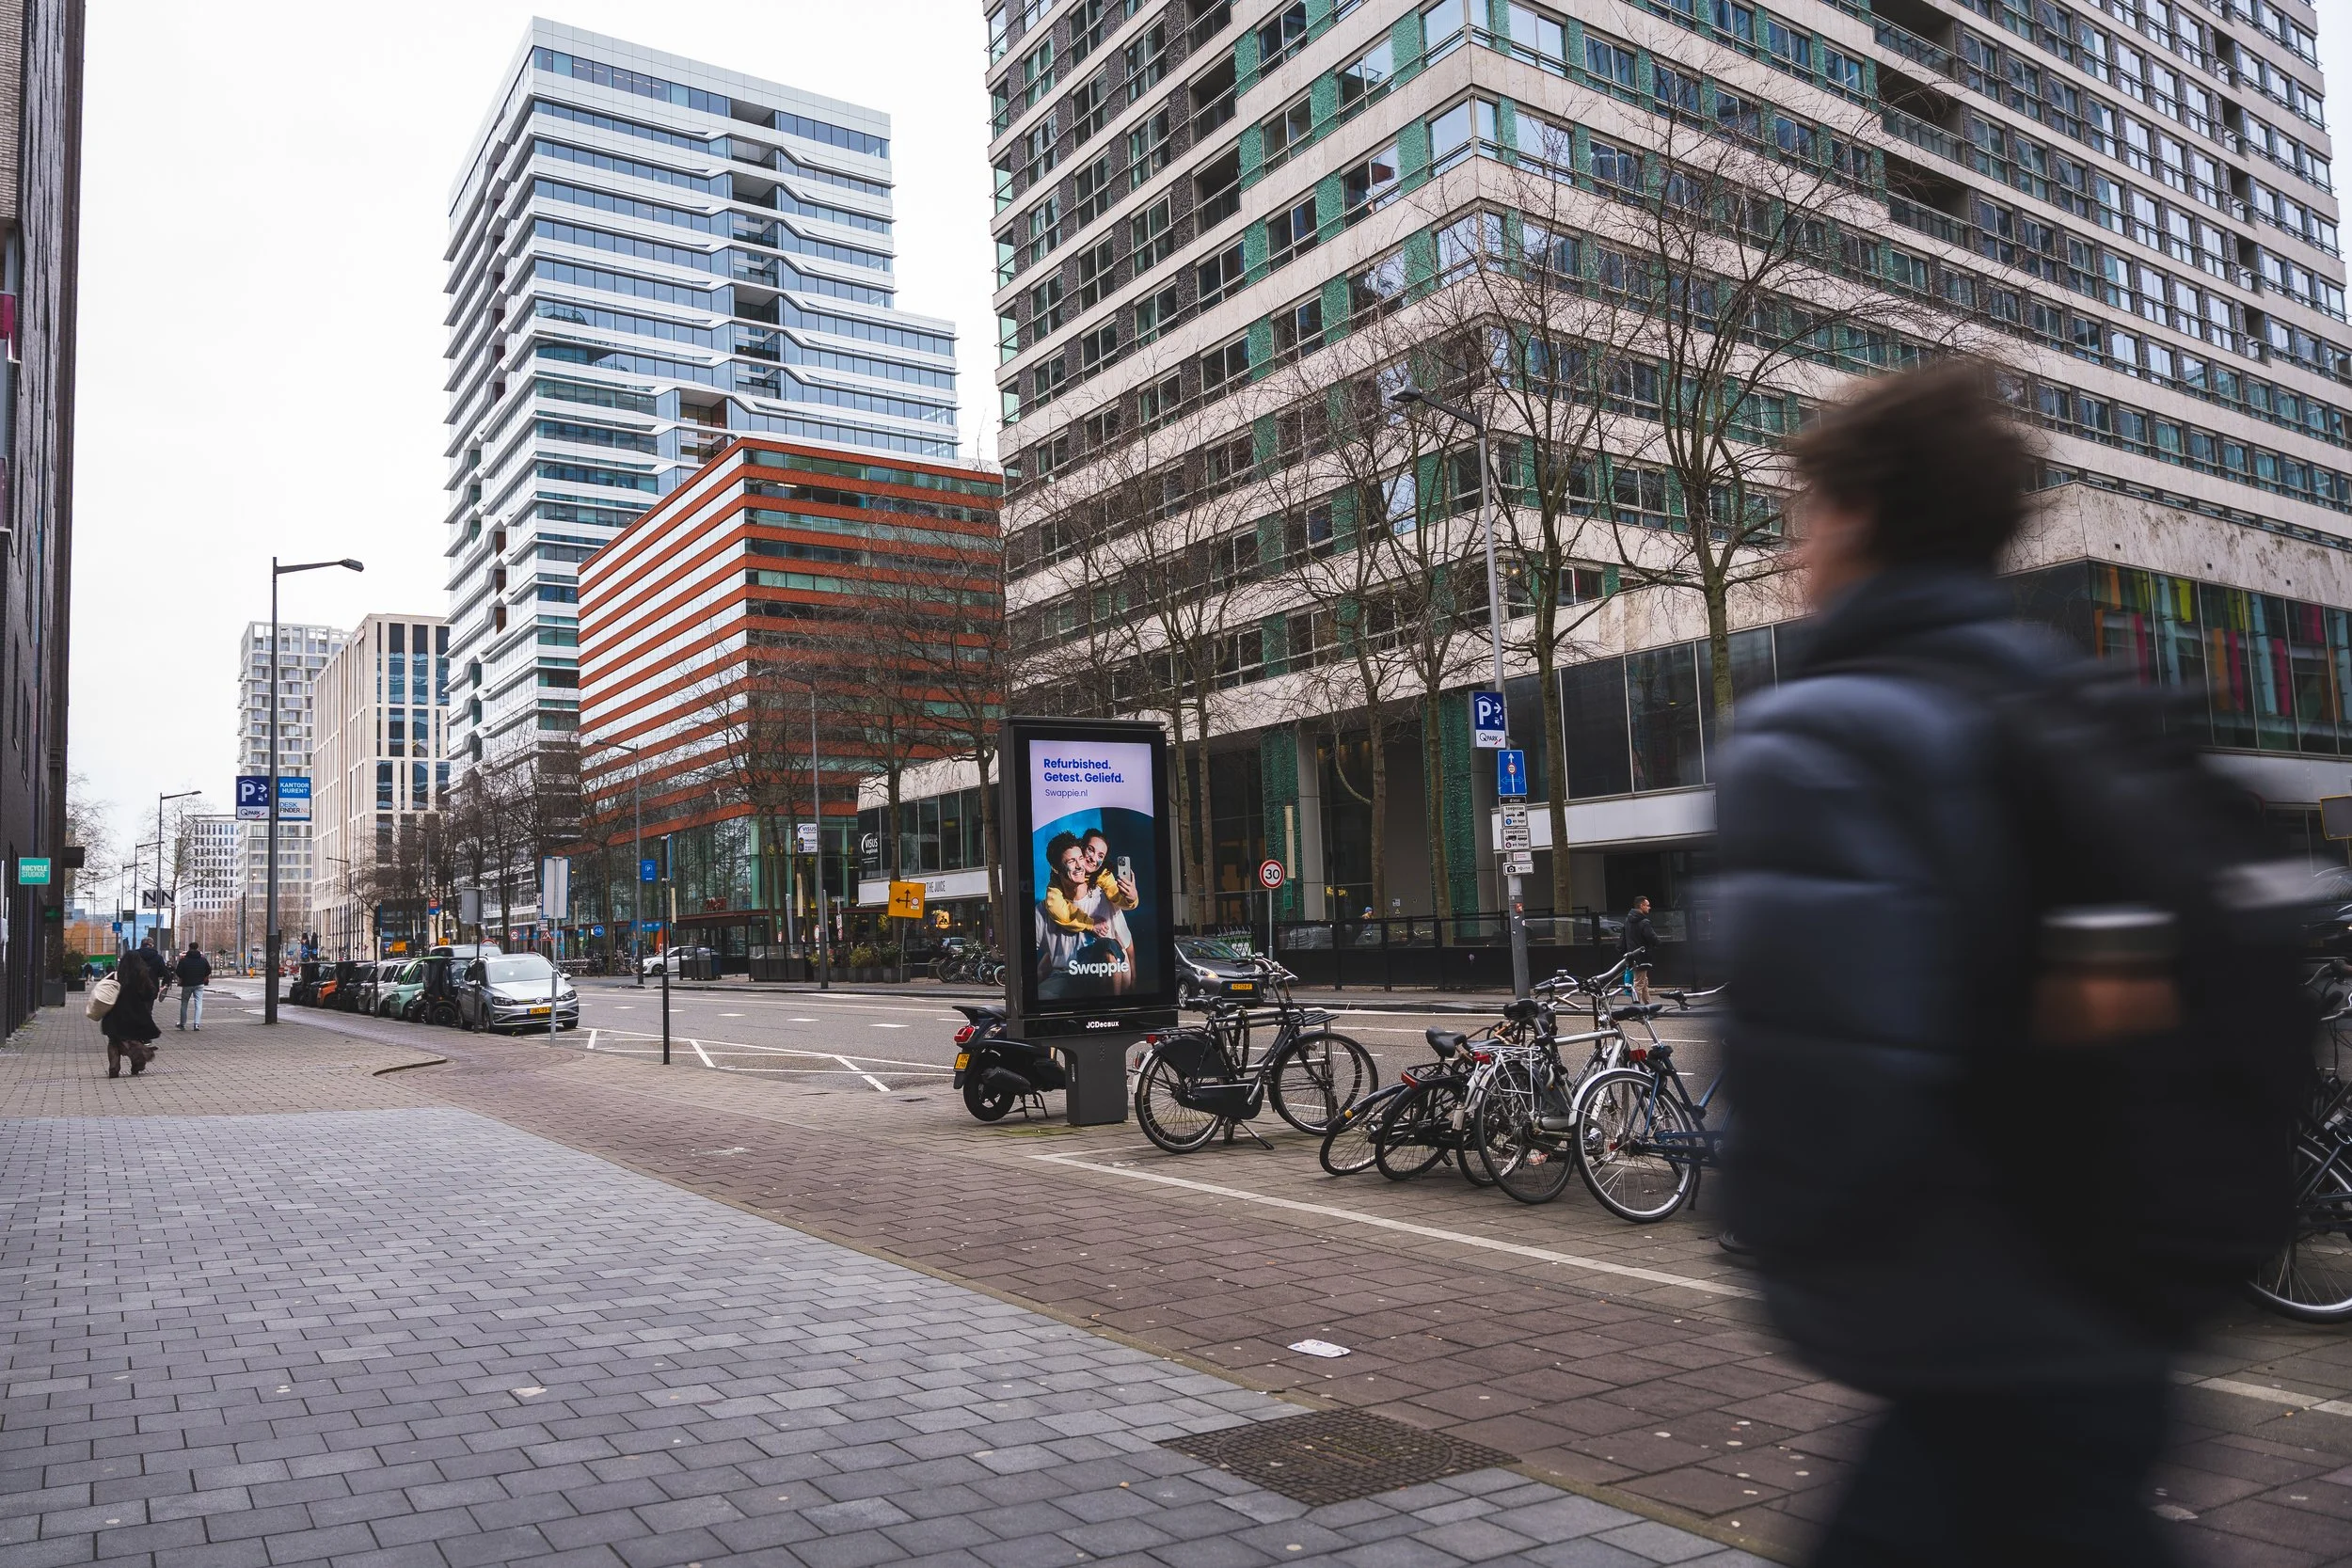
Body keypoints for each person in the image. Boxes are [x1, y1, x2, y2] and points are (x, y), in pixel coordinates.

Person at [1716, 362, 2185, 1565]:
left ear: (1858, 513)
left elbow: (1827, 1081)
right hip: (2121, 1307)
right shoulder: (2074, 699)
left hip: (1967, 1321)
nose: (1792, 552)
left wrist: (1776, 1233)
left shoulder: (1825, 732)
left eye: (1801, 517)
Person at [1034, 832, 1134, 996]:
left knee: (1107, 946)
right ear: (1056, 868)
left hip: (1097, 976)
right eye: (1071, 861)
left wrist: (1131, 898)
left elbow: (1126, 943)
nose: (1083, 864)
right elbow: (1050, 954)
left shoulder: (1105, 897)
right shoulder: (1047, 906)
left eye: (1080, 858)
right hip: (1064, 977)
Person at [102, 950, 162, 1077]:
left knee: (113, 1041)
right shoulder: (142, 976)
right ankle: (137, 1065)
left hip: (114, 1014)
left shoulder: (115, 976)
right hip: (135, 1014)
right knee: (135, 1038)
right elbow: (150, 994)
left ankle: (114, 1067)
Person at [1620, 896, 1659, 1003]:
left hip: (1632, 956)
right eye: (1648, 905)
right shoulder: (1644, 922)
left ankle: (1649, 1006)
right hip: (1642, 956)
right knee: (1639, 983)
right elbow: (1652, 937)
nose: (1649, 907)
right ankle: (1635, 1007)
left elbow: (1623, 938)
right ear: (1642, 906)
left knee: (1643, 982)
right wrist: (1659, 943)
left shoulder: (1628, 920)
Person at [174, 942, 212, 1031]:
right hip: (199, 984)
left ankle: (182, 1024)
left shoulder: (184, 960)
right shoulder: (203, 960)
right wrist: (202, 976)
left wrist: (184, 977)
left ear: (189, 948)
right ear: (197, 948)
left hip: (187, 984)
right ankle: (196, 1024)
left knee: (184, 1003)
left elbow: (178, 972)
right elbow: (208, 970)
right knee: (198, 1003)